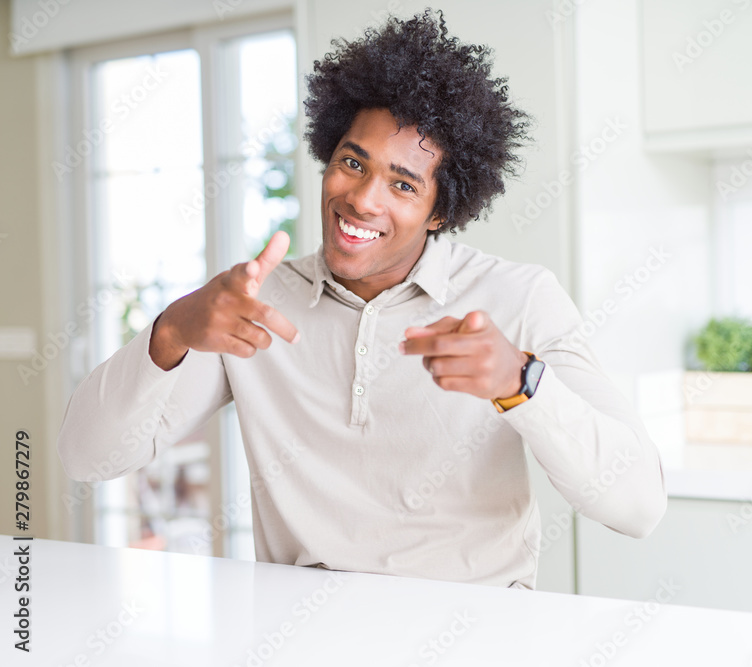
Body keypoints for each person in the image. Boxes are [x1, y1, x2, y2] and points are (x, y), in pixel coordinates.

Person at [57, 9, 667, 590]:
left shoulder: (520, 299)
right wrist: (169, 331)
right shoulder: (257, 303)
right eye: (353, 162)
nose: (363, 200)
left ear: (441, 212)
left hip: (474, 629)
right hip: (299, 631)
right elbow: (86, 458)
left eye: (403, 184)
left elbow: (638, 506)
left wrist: (520, 382)